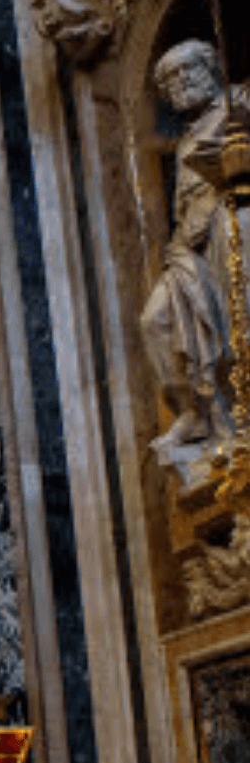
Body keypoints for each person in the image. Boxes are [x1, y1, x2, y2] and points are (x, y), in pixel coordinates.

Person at [140, 39, 250, 483]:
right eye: (171, 79)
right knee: (154, 319)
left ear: (211, 67)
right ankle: (196, 413)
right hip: (190, 247)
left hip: (236, 217)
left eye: (188, 70)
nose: (182, 81)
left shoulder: (241, 100)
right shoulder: (184, 137)